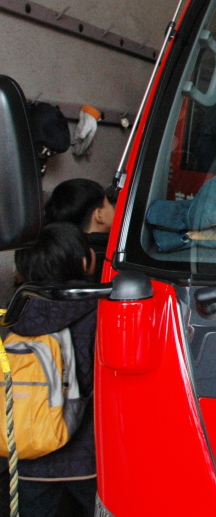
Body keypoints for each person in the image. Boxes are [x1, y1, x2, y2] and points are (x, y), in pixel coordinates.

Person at [11, 223, 99, 517]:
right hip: (87, 456)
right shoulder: (96, 310)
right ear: (84, 262)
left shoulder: (15, 315)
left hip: (27, 450)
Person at [44, 178, 115, 279]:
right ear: (99, 215)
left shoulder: (65, 261)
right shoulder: (110, 258)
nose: (114, 208)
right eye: (109, 203)